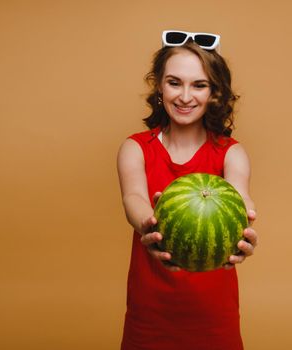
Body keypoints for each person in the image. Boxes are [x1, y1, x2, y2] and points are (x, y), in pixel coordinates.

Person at [116, 30, 258, 350]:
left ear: (215, 92)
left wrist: (244, 226)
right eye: (174, 82)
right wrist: (150, 225)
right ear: (159, 86)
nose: (184, 96)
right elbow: (134, 199)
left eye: (199, 85)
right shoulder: (135, 148)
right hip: (149, 314)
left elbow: (241, 197)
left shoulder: (231, 152)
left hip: (213, 317)